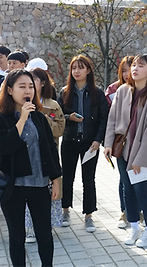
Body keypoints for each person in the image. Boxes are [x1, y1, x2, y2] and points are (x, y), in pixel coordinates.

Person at [0, 69, 61, 267]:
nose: (27, 90)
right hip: (13, 187)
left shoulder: (39, 118)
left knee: (44, 234)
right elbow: (1, 146)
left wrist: (56, 179)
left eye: (30, 86)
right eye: (22, 86)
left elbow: (50, 151)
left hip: (39, 184)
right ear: (9, 90)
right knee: (17, 236)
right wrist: (21, 120)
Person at [104, 54, 147, 247]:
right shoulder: (123, 91)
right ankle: (134, 227)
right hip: (122, 149)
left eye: (141, 65)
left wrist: (140, 159)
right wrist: (108, 144)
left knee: (141, 190)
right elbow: (112, 119)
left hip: (141, 153)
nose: (135, 69)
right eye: (134, 66)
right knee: (127, 189)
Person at [58, 55, 108, 232]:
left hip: (89, 143)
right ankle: (65, 211)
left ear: (88, 70)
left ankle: (88, 215)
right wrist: (68, 118)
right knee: (67, 177)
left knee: (89, 179)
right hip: (70, 141)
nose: (76, 71)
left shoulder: (97, 93)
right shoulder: (64, 92)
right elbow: (55, 116)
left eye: (80, 67)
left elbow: (104, 119)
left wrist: (97, 140)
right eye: (73, 68)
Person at [24, 67, 65, 243]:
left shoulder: (52, 105)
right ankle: (29, 228)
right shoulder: (20, 103)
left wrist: (45, 119)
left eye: (35, 80)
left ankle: (45, 225)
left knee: (48, 191)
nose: (31, 85)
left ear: (42, 83)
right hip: (26, 156)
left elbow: (60, 128)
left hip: (47, 155)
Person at [104, 55, 134, 228]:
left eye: (129, 70)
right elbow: (111, 118)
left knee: (136, 178)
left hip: (137, 142)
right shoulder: (114, 90)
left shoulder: (143, 90)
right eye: (123, 70)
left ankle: (136, 211)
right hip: (120, 141)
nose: (127, 74)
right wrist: (107, 143)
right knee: (124, 179)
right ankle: (125, 212)